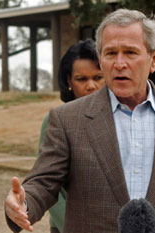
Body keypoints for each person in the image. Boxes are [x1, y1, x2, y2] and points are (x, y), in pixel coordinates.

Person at [5, 8, 155, 232]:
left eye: (130, 53)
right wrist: (24, 203)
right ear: (101, 59)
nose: (119, 63)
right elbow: (43, 183)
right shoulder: (68, 120)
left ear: (154, 59)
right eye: (110, 53)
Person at [39, 39, 104, 233]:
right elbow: (50, 185)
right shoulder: (55, 120)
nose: (91, 85)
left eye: (98, 77)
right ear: (69, 81)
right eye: (81, 79)